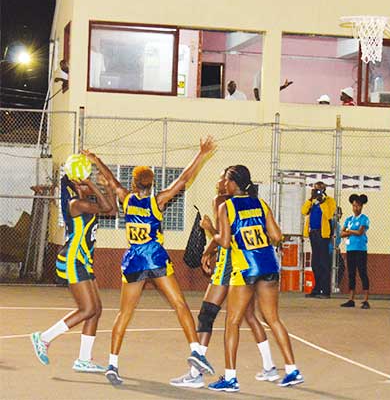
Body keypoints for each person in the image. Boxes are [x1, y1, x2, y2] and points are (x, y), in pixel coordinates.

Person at [87, 138, 217, 385]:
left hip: (135, 259)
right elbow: (183, 180)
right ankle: (197, 352)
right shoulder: (156, 202)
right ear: (152, 183)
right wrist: (200, 155)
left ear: (134, 183)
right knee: (179, 304)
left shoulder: (126, 199)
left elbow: (112, 180)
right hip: (155, 257)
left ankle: (112, 364)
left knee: (124, 313)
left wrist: (95, 160)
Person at [169, 170, 280, 388]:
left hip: (231, 262)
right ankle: (269, 366)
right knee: (249, 315)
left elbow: (223, 235)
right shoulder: (252, 202)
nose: (219, 181)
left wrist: (209, 247)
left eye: (222, 177)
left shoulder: (221, 201)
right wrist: (208, 251)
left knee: (207, 314)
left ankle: (196, 373)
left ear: (232, 183)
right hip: (251, 263)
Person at [206, 165, 303, 391]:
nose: (225, 185)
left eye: (226, 181)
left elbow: (225, 242)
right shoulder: (261, 203)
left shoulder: (227, 206)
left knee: (232, 322)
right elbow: (277, 236)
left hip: (245, 267)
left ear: (233, 183)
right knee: (273, 319)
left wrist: (210, 228)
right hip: (268, 264)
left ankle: (230, 378)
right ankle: (292, 370)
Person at [30, 165, 115, 372]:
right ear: (77, 183)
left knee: (96, 311)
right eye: (86, 178)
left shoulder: (86, 202)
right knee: (87, 309)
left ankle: (84, 359)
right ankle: (43, 337)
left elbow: (112, 210)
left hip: (83, 260)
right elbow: (106, 208)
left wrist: (107, 188)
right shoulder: (76, 204)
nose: (90, 180)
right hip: (73, 259)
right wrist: (94, 185)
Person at [301, 181, 336, 298]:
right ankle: (317, 288)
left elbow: (329, 214)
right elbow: (304, 211)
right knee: (315, 263)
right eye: (315, 189)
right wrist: (311, 199)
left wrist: (322, 201)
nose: (318, 191)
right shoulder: (313, 202)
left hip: (323, 234)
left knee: (324, 263)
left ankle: (325, 291)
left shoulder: (329, 201)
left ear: (324, 189)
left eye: (320, 189)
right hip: (313, 234)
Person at [340, 194, 370, 309]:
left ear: (361, 206)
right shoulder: (349, 219)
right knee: (351, 273)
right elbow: (342, 233)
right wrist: (351, 231)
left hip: (360, 250)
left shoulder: (364, 218)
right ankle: (351, 299)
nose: (355, 208)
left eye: (357, 206)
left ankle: (366, 300)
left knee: (362, 273)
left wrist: (349, 231)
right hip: (350, 249)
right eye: (354, 206)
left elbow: (360, 232)